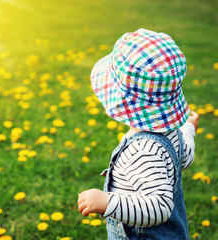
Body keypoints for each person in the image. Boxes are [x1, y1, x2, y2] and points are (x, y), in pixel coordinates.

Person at [77, 28, 199, 239]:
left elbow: (160, 207)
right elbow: (184, 157)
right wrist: (188, 128)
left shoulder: (143, 150)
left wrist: (108, 202)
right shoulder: (170, 132)